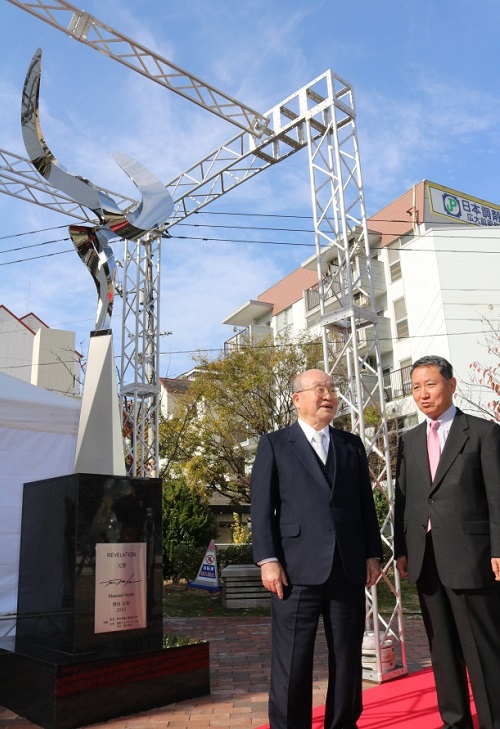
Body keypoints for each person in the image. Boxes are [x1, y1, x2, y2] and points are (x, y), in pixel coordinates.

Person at [250, 368, 382, 729]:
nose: (328, 395)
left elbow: (364, 506)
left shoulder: (350, 444)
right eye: (319, 388)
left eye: (332, 388)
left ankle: (343, 723)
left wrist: (373, 553)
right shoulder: (275, 444)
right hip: (294, 569)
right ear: (297, 398)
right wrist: (268, 560)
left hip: (347, 566)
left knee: (346, 656)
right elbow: (261, 508)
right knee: (292, 659)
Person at [395, 355, 500, 729]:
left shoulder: (483, 432)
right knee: (442, 652)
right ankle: (455, 722)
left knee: (483, 651)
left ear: (451, 385)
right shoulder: (408, 441)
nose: (423, 394)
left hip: (472, 558)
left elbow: (496, 496)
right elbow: (403, 499)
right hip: (426, 561)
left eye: (431, 384)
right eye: (416, 387)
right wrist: (401, 549)